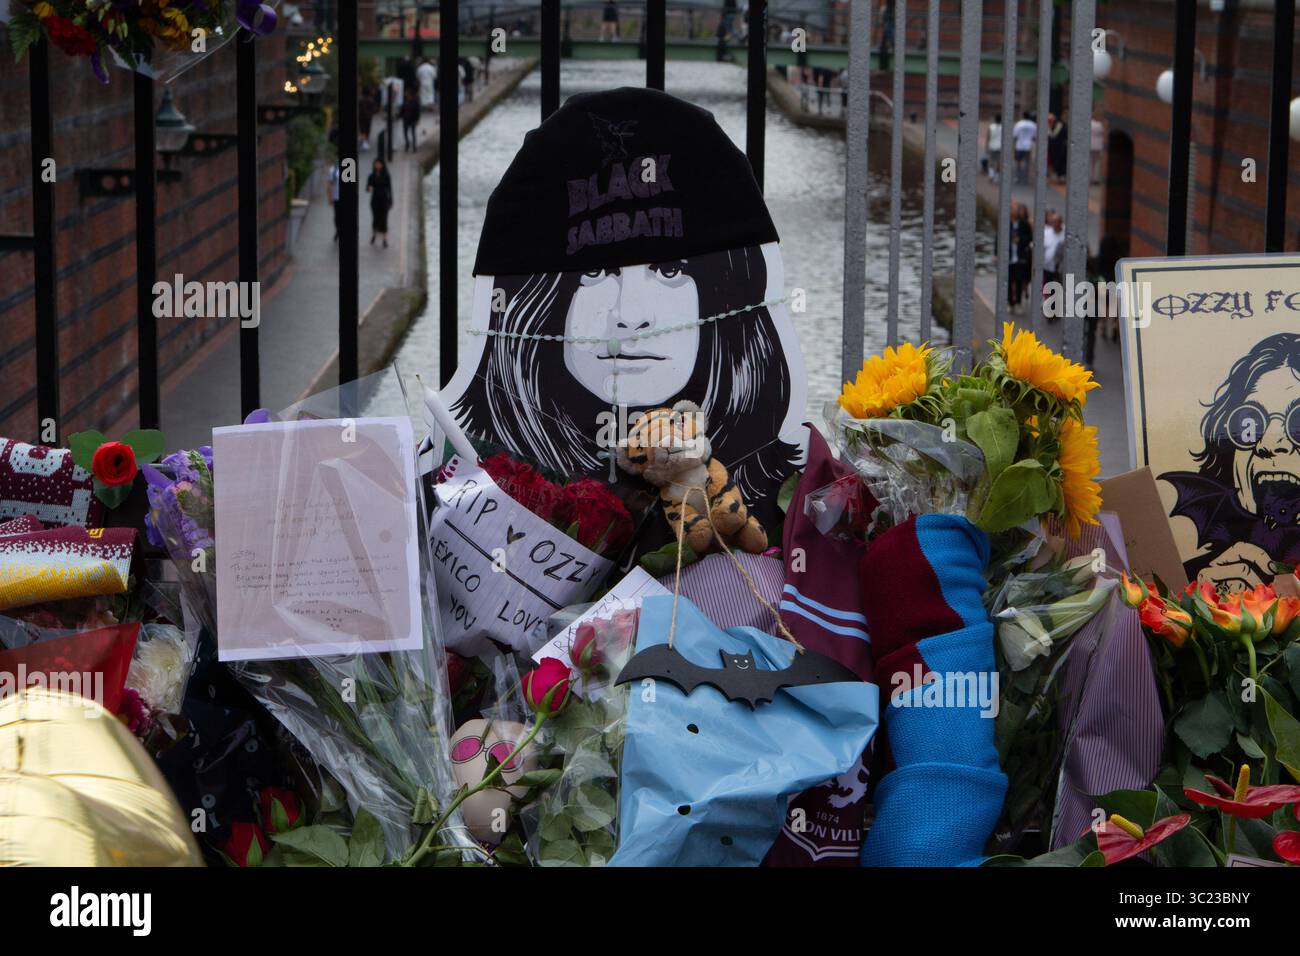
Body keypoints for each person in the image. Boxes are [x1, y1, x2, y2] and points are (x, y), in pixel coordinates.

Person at [1007, 201, 1033, 313]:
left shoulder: (1024, 224)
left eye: (1017, 209)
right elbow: (999, 237)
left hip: (1020, 257)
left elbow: (1029, 239)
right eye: (1013, 209)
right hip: (1008, 257)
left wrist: (1020, 240)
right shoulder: (1006, 223)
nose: (1015, 211)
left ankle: (1018, 302)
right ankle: (1010, 303)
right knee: (1008, 280)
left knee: (1018, 280)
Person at [366, 157, 393, 248]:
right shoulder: (371, 176)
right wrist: (369, 188)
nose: (377, 166)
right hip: (374, 201)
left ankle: (385, 239)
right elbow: (367, 188)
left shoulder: (386, 175)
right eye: (376, 164)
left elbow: (390, 189)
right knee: (375, 219)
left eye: (379, 164)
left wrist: (391, 201)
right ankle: (374, 235)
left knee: (384, 219)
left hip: (384, 200)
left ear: (382, 165)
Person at [1041, 211, 1064, 318]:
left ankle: (1055, 308)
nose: (1055, 224)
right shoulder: (1047, 233)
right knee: (1047, 288)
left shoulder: (1065, 234)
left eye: (1057, 222)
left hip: (1060, 268)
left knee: (1057, 288)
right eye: (1053, 222)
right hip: (1047, 266)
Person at [1012, 111, 1037, 184]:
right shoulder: (1033, 125)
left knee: (1018, 162)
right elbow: (1035, 137)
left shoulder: (1019, 124)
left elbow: (1015, 136)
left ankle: (1018, 177)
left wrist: (1013, 146)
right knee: (1027, 162)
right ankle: (1025, 178)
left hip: (1019, 145)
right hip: (1028, 146)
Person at [1048, 112, 1068, 182]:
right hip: (1058, 147)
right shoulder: (1062, 126)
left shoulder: (1060, 126)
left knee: (1060, 162)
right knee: (1057, 162)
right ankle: (1059, 176)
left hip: (1058, 147)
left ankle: (1060, 176)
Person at [327, 149, 341, 243]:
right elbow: (330, 184)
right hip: (336, 197)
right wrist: (330, 197)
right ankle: (338, 231)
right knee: (337, 216)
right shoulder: (333, 170)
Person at [358, 85, 378, 153]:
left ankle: (364, 143)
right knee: (367, 130)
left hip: (361, 117)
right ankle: (365, 142)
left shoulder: (360, 99)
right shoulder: (371, 100)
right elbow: (375, 110)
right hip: (368, 117)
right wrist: (370, 113)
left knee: (362, 129)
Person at [401, 88, 420, 152]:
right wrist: (398, 116)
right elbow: (402, 111)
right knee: (405, 133)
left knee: (413, 133)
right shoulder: (405, 101)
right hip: (405, 120)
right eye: (406, 94)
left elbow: (418, 111)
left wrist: (417, 120)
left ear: (410, 95)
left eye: (407, 94)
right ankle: (407, 144)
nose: (406, 95)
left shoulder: (415, 101)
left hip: (412, 120)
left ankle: (414, 146)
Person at [986, 113, 1002, 182]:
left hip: (992, 146)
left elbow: (988, 137)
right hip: (1000, 147)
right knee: (999, 162)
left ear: (995, 120)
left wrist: (986, 147)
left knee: (991, 162)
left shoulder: (991, 127)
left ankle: (991, 175)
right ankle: (997, 177)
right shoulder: (1003, 127)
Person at [1090, 112, 1106, 183]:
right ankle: (1095, 178)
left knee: (1090, 161)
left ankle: (1090, 177)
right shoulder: (1100, 125)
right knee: (1096, 162)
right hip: (1098, 146)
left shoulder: (1090, 123)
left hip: (1090, 145)